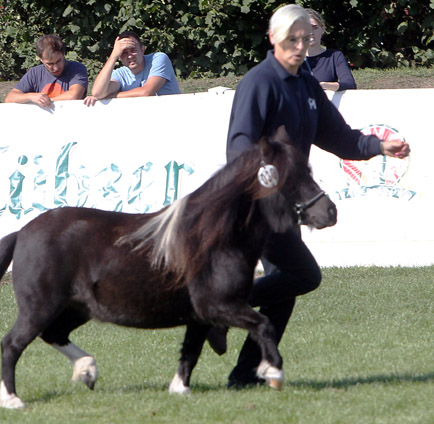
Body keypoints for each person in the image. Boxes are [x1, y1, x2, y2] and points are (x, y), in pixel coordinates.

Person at [222, 4, 409, 389]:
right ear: (274, 38)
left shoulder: (306, 83)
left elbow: (339, 136)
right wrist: (267, 181)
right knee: (302, 275)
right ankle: (221, 311)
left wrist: (379, 146)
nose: (301, 45)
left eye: (306, 38)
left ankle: (245, 374)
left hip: (286, 202)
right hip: (257, 202)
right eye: (293, 38)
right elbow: (239, 147)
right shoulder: (259, 82)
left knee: (286, 287)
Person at [83, 31, 180, 106]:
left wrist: (111, 96)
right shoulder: (120, 74)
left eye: (133, 50)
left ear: (142, 50)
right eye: (124, 53)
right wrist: (113, 56)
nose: (129, 56)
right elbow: (97, 93)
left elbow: (146, 92)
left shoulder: (158, 59)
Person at [5, 35, 88, 108]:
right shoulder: (34, 73)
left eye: (59, 61)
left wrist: (45, 101)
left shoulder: (77, 69)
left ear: (63, 54)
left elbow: (74, 95)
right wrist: (30, 97)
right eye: (50, 64)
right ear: (41, 59)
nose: (55, 68)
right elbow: (10, 98)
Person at [305, 8, 356, 91]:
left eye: (315, 27)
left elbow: (350, 84)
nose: (311, 32)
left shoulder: (334, 56)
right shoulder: (291, 58)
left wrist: (324, 85)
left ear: (323, 28)